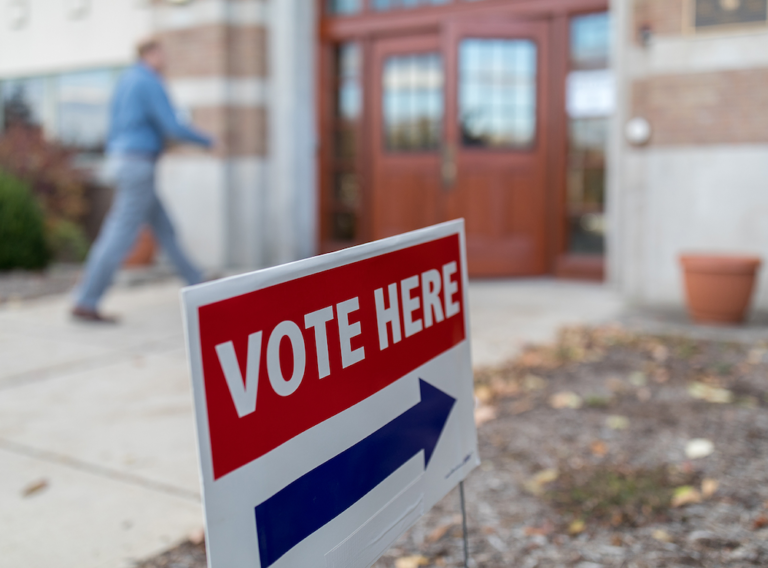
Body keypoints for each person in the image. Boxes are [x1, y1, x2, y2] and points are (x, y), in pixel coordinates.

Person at [72, 38, 213, 322]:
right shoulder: (148, 81)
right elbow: (172, 125)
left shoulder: (125, 80)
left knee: (164, 228)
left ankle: (198, 284)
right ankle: (86, 300)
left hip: (125, 161)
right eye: (162, 53)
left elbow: (112, 125)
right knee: (120, 233)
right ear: (151, 53)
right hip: (139, 164)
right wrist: (208, 140)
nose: (166, 59)